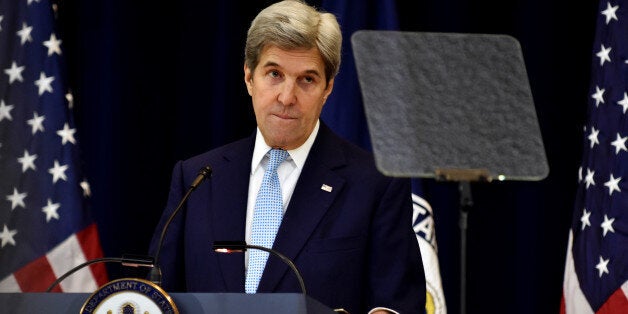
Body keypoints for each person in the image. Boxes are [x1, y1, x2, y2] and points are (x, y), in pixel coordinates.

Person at [149, 0, 426, 313]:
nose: (287, 97)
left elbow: (398, 305)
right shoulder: (196, 178)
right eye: (274, 74)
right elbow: (158, 297)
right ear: (249, 77)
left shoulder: (374, 185)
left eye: (307, 79)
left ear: (328, 88)